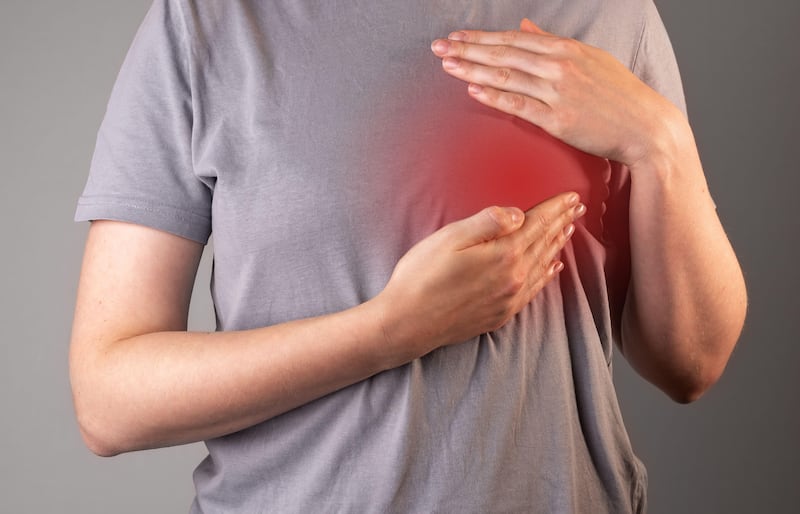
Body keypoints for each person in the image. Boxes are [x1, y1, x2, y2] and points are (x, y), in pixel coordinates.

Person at [70, 1, 746, 512]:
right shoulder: (209, 22)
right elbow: (109, 403)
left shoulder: (609, 15)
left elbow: (690, 364)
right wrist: (390, 331)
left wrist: (662, 144)